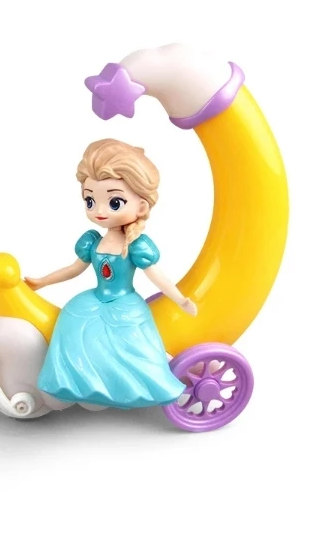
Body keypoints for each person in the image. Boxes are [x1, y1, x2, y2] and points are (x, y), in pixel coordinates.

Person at [25, 138, 197, 411]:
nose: (99, 211)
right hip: (94, 298)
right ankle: (83, 383)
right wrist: (42, 281)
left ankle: (126, 387)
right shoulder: (92, 241)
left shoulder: (136, 245)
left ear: (141, 207)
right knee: (72, 324)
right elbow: (74, 269)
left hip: (125, 302)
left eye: (114, 202)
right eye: (90, 200)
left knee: (128, 345)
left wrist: (180, 300)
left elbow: (157, 277)